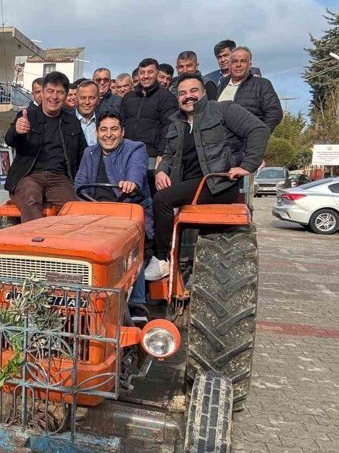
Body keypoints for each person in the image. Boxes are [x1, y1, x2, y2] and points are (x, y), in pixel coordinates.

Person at [146, 73, 269, 280]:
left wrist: (247, 166)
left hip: (217, 184)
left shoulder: (223, 110)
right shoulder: (176, 122)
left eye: (193, 91)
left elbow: (259, 129)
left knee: (163, 200)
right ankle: (146, 250)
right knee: (145, 187)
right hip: (188, 184)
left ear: (203, 93)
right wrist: (160, 171)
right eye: (182, 93)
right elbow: (168, 154)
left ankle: (161, 259)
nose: (188, 96)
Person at [74, 113, 154, 321]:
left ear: (122, 132)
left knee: (130, 249)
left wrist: (131, 182)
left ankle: (136, 304)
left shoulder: (135, 148)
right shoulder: (89, 153)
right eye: (104, 129)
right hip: (94, 211)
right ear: (97, 132)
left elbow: (136, 170)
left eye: (114, 129)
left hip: (126, 210)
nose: (108, 135)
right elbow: (79, 183)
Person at [4, 71, 88, 222]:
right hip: (29, 176)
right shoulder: (27, 116)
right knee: (31, 200)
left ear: (67, 95)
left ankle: (64, 244)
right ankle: (34, 243)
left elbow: (83, 154)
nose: (54, 97)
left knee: (74, 209)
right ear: (42, 93)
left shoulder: (72, 122)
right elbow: (10, 140)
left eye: (60, 92)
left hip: (60, 178)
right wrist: (17, 131)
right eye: (50, 91)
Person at [120, 58, 177, 191]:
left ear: (157, 73)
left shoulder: (166, 98)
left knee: (150, 193)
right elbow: (121, 124)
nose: (146, 76)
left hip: (151, 155)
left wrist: (161, 155)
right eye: (142, 72)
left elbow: (168, 128)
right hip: (127, 153)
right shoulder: (128, 97)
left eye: (150, 72)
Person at [217, 46, 283, 131]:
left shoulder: (262, 84)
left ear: (250, 64)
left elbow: (274, 113)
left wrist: (259, 136)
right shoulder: (221, 85)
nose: (238, 65)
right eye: (234, 61)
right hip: (219, 141)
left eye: (243, 61)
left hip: (246, 141)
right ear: (229, 65)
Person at [75, 80, 100, 147]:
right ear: (76, 100)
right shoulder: (65, 121)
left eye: (92, 98)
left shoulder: (104, 120)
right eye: (83, 98)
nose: (87, 102)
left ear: (98, 101)